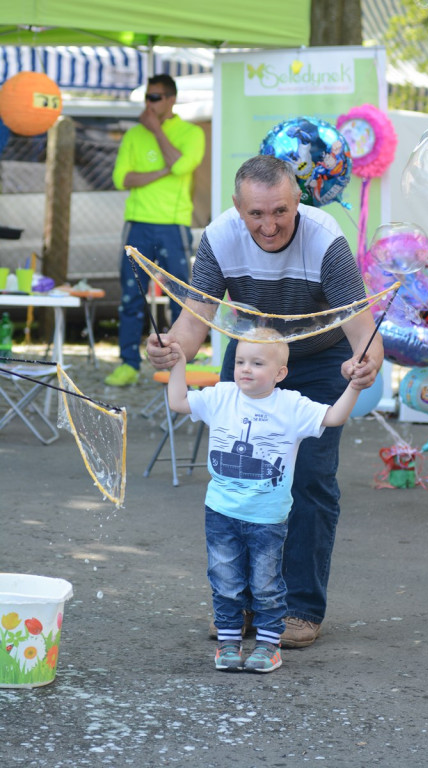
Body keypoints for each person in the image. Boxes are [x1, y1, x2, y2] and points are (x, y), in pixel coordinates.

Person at [147, 154, 384, 648]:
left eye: (280, 211)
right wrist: (171, 348)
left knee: (311, 478)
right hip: (252, 355)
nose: (269, 224)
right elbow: (194, 321)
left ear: (298, 199)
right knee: (243, 477)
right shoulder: (218, 238)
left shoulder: (325, 239)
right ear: (237, 208)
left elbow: (363, 329)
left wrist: (364, 362)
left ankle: (300, 608)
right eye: (256, 214)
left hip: (321, 361)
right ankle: (243, 606)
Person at [167, 330, 361, 672]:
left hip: (268, 515)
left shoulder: (291, 405)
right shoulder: (222, 395)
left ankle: (268, 645)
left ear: (280, 373)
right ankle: (228, 643)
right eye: (240, 361)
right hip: (221, 512)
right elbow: (178, 402)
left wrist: (355, 387)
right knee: (224, 579)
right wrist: (179, 363)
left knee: (266, 582)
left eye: (257, 363)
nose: (245, 369)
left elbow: (333, 417)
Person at [105, 74, 205, 387]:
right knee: (131, 297)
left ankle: (182, 360)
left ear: (172, 99)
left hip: (173, 225)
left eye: (156, 97)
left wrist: (156, 130)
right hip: (138, 223)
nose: (150, 104)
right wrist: (162, 171)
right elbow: (122, 178)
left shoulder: (191, 133)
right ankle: (128, 363)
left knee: (180, 297)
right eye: (147, 97)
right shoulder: (133, 135)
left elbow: (179, 165)